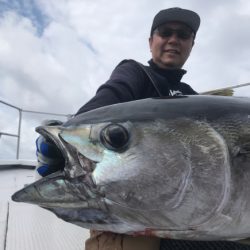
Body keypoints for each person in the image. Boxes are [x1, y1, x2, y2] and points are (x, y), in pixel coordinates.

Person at [36, 7, 250, 250]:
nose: (173, 40)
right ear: (151, 41)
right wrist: (58, 144)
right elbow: (100, 104)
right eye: (165, 32)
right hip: (134, 231)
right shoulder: (134, 73)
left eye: (182, 35)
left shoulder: (191, 97)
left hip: (193, 226)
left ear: (192, 44)